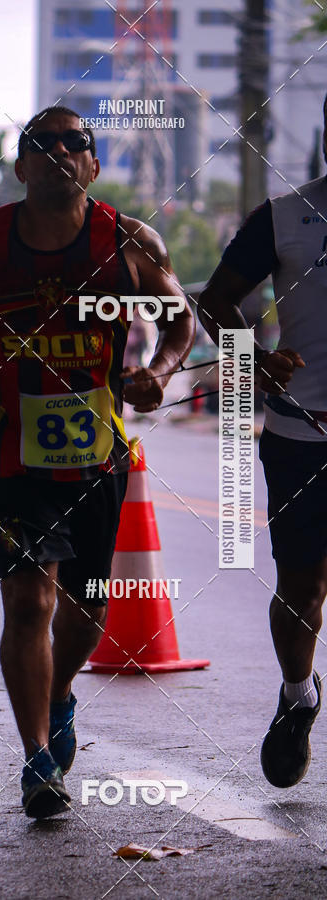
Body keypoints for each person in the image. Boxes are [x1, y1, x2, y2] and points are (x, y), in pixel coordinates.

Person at [0, 106, 194, 819]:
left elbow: (179, 317)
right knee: (29, 600)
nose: (59, 152)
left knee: (86, 610)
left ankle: (62, 691)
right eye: (41, 144)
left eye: (76, 143)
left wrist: (159, 372)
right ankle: (38, 760)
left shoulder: (128, 240)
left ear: (93, 165)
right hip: (10, 453)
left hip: (98, 457)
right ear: (21, 167)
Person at [197, 95, 327, 789]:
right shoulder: (282, 217)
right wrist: (252, 358)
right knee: (303, 585)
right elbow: (215, 300)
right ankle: (297, 695)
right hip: (301, 432)